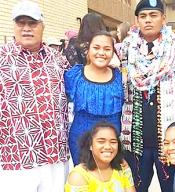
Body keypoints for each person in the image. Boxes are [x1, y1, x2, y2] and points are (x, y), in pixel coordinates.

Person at [0, 1, 69, 192]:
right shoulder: (2, 57)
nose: (26, 29)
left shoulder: (58, 59)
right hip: (16, 157)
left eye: (32, 23)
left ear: (42, 26)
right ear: (13, 26)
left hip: (55, 155)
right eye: (21, 23)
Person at [120, 0, 175, 191]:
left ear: (163, 19)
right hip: (135, 136)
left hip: (168, 134)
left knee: (171, 186)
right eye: (143, 16)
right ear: (137, 20)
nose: (148, 20)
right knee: (135, 186)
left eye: (153, 15)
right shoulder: (126, 48)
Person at [64, 31, 124, 165]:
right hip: (80, 140)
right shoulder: (74, 75)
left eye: (107, 49)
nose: (101, 53)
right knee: (84, 180)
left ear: (113, 52)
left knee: (109, 181)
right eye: (96, 48)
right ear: (88, 50)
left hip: (111, 143)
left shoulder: (120, 77)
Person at [65, 121, 136, 192]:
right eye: (101, 142)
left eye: (113, 142)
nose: (108, 147)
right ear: (90, 145)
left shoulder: (122, 167)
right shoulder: (78, 176)